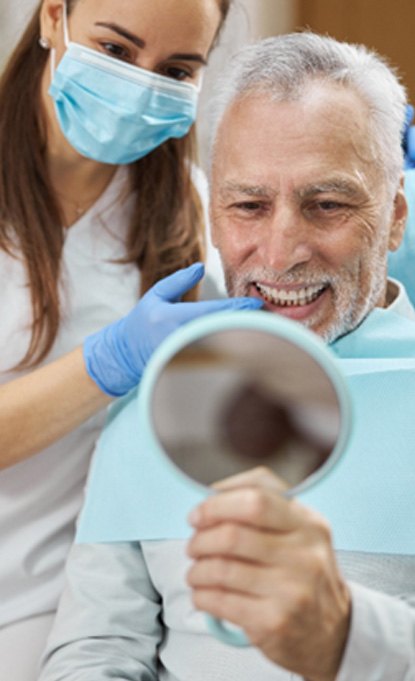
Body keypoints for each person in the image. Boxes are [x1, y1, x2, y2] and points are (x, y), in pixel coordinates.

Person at [39, 32, 415, 681]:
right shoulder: (154, 400)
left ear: (393, 219)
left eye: (326, 204)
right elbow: (95, 645)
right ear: (212, 216)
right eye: (248, 205)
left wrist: (346, 634)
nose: (279, 253)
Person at [0, 1, 265, 678]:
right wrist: (110, 359)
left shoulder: (185, 205)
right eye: (117, 51)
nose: (142, 84)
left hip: (79, 591)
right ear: (54, 17)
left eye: (176, 68)